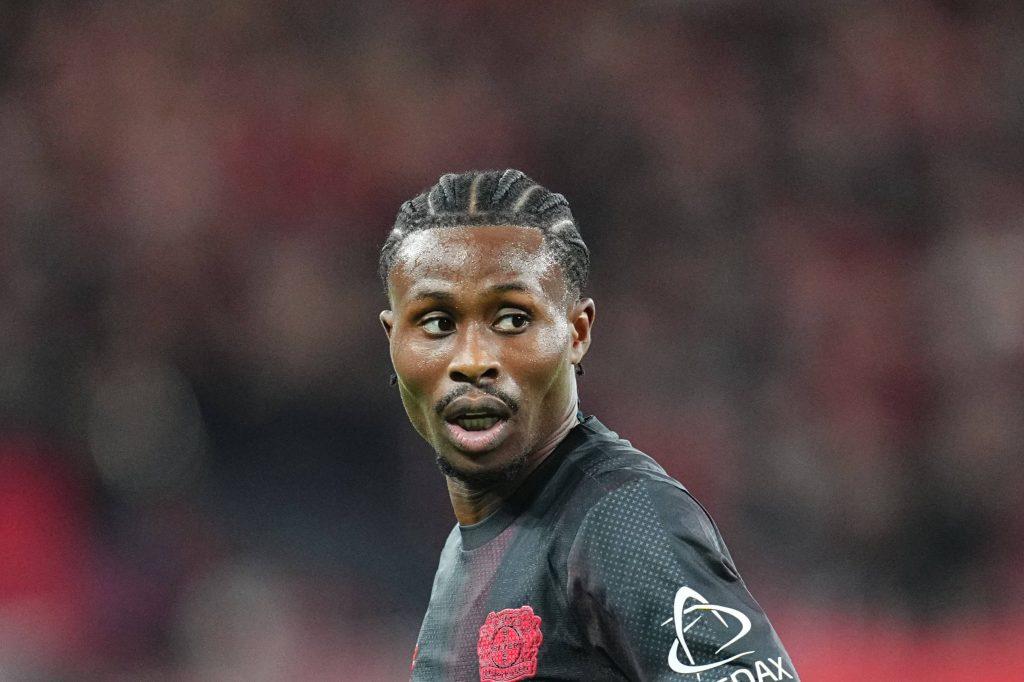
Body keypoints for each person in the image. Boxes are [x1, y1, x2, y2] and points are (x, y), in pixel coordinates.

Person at [379, 169, 798, 682]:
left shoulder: (621, 520)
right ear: (392, 337)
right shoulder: (471, 548)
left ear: (577, 332)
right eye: (438, 323)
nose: (472, 360)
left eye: (512, 319)